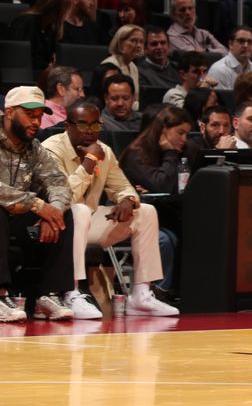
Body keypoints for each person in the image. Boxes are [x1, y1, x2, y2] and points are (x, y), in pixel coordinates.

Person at [42, 101, 180, 317]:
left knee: (145, 211)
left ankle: (141, 295)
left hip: (89, 222)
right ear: (68, 126)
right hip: (61, 224)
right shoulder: (51, 149)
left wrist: (127, 200)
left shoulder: (104, 150)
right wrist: (89, 162)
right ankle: (72, 292)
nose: (90, 132)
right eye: (83, 125)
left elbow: (123, 187)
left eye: (95, 126)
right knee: (79, 211)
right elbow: (63, 197)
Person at [0, 87, 75, 322]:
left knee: (65, 215)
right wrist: (37, 204)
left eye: (40, 115)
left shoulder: (35, 149)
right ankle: (0, 296)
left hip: (18, 224)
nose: (37, 121)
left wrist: (51, 213)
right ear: (10, 112)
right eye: (30, 115)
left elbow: (59, 183)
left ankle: (48, 296)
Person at [119, 106, 199, 195]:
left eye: (186, 134)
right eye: (180, 133)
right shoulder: (136, 153)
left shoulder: (186, 149)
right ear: (163, 129)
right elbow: (163, 186)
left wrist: (153, 189)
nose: (184, 139)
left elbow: (186, 186)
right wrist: (170, 153)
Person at [8, 0, 69, 70]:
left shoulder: (50, 28)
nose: (67, 14)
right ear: (55, 10)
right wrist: (47, 67)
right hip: (23, 72)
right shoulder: (26, 22)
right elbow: (18, 56)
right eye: (66, 10)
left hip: (40, 72)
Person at [208, 26, 252, 90]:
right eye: (241, 41)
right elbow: (224, 99)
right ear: (231, 44)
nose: (246, 45)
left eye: (249, 42)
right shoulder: (219, 69)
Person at [103, 24, 145, 108]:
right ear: (120, 43)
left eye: (141, 41)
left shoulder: (133, 66)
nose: (138, 45)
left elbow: (135, 99)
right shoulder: (110, 66)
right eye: (133, 41)